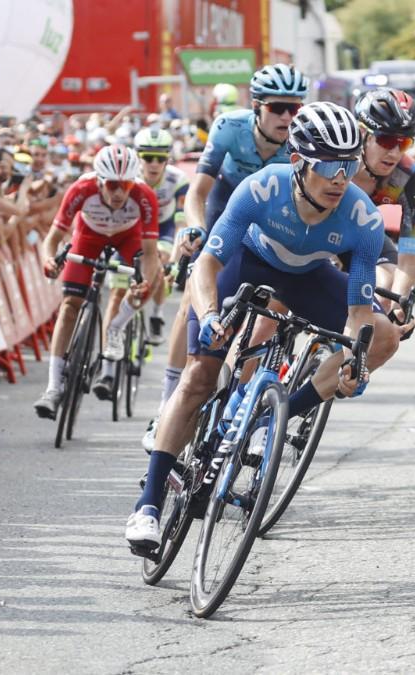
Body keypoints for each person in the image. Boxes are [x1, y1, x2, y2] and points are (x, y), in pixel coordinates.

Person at [124, 102, 406, 550]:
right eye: (329, 165)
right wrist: (212, 315)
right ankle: (149, 503)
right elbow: (207, 265)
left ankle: (276, 414)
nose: (340, 178)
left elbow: (357, 314)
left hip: (309, 276)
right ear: (298, 162)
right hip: (248, 264)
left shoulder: (362, 219)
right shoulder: (261, 188)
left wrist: (355, 361)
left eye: (349, 164)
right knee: (199, 376)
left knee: (383, 336)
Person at [140, 64, 307, 451]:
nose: (287, 117)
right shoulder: (229, 127)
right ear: (256, 107)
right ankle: (167, 404)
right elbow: (197, 193)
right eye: (278, 107)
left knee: (271, 305)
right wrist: (196, 228)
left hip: (270, 216)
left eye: (295, 109)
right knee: (195, 295)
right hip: (226, 202)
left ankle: (241, 400)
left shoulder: (300, 141)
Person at [32, 145, 161, 418]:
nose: (118, 193)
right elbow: (53, 240)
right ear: (100, 181)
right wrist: (48, 260)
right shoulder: (81, 189)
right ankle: (54, 387)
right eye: (112, 185)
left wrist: (146, 282)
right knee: (70, 306)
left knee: (150, 280)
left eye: (125, 185)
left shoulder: (144, 196)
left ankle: (116, 327)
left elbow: (150, 255)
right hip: (89, 235)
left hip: (129, 237)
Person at [90, 128, 189, 398]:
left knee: (158, 259)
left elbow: (181, 221)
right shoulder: (125, 179)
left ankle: (156, 315)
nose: (154, 164)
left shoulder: (178, 180)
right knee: (116, 295)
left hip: (165, 228)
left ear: (168, 159)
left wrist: (176, 257)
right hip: (131, 230)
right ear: (138, 157)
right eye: (148, 158)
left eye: (160, 158)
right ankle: (108, 372)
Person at [349, 88, 415, 314]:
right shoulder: (339, 159)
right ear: (362, 133)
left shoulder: (412, 178)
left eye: (403, 144)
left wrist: (399, 305)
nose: (394, 153)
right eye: (385, 140)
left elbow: (409, 257)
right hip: (319, 227)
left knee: (384, 292)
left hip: (362, 232)